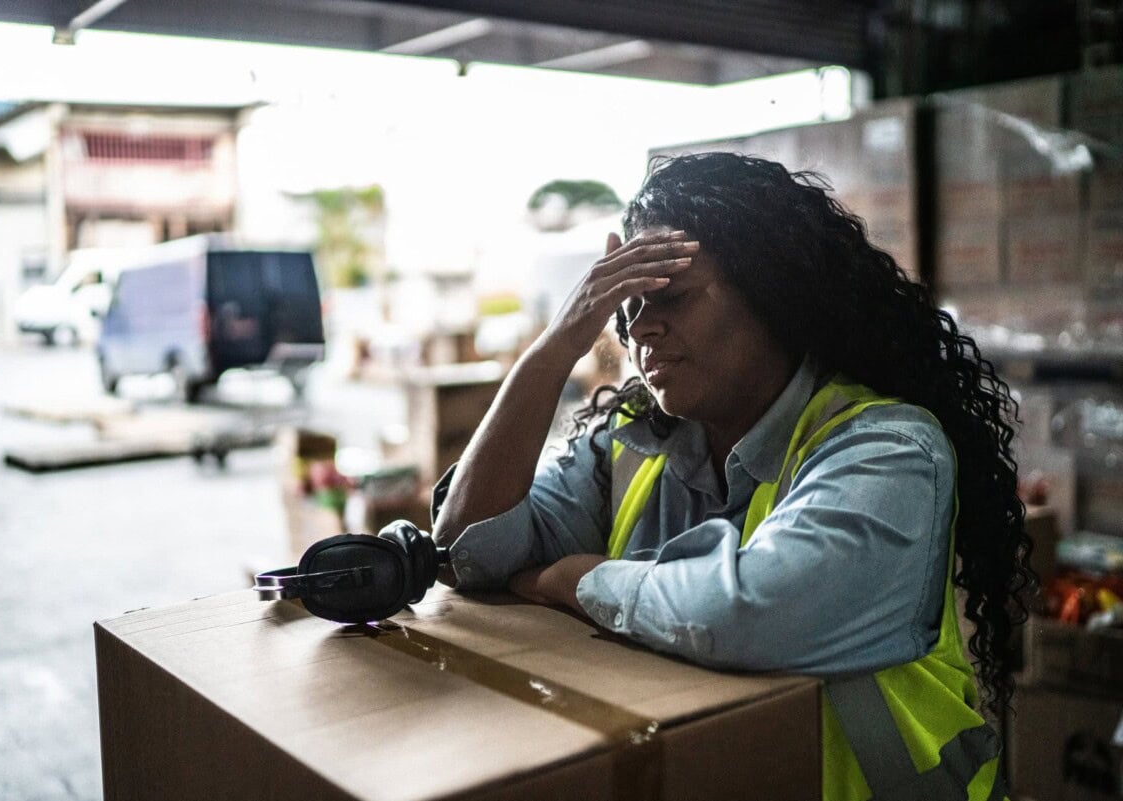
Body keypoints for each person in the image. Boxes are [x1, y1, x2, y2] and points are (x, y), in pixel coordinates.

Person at [431, 152, 1033, 801]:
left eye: (671, 297)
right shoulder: (631, 445)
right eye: (625, 312)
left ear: (774, 289)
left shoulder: (889, 447)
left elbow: (751, 612)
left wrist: (568, 578)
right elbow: (469, 547)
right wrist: (556, 345)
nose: (641, 331)